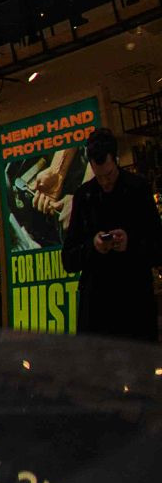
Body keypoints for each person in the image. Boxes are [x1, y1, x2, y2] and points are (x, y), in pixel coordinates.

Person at [61, 128, 161, 341]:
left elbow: (158, 247)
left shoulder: (137, 189)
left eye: (109, 175)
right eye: (99, 177)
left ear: (116, 160)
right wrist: (93, 246)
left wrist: (129, 244)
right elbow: (68, 259)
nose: (105, 182)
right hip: (98, 311)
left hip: (134, 306)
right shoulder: (84, 197)